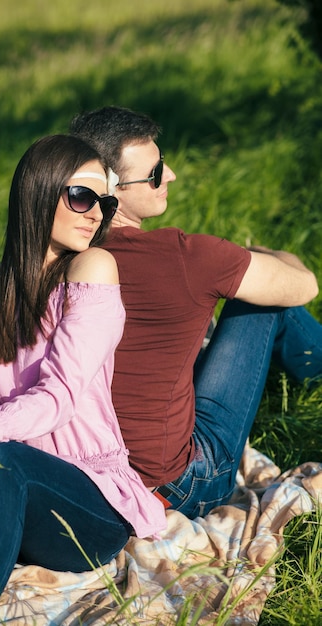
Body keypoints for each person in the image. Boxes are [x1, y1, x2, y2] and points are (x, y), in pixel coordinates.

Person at [0, 134, 167, 624]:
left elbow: (59, 396)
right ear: (38, 192)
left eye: (105, 203)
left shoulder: (92, 269)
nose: (96, 213)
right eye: (83, 196)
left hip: (83, 501)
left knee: (3, 460)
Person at [70, 105, 322, 517]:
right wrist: (260, 254)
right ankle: (316, 370)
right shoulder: (185, 257)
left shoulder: (55, 255)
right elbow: (304, 286)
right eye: (154, 173)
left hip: (92, 481)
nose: (169, 176)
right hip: (181, 486)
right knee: (259, 297)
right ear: (110, 190)